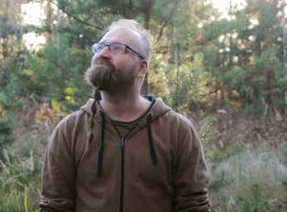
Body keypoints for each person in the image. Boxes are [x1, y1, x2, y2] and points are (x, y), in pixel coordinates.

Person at [40, 19, 210, 212]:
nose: (102, 54)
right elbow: (54, 206)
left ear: (142, 68)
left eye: (117, 48)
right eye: (99, 47)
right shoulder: (70, 130)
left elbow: (193, 207)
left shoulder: (177, 130)